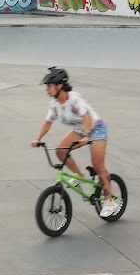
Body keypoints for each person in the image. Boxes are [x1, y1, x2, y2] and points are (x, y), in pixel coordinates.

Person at [30, 67, 120, 218]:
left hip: (96, 129)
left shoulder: (74, 99)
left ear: (59, 86)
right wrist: (38, 139)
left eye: (49, 86)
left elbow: (87, 117)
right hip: (79, 130)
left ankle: (110, 202)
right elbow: (48, 122)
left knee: (98, 167)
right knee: (60, 151)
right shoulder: (55, 103)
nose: (46, 90)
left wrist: (86, 135)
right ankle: (78, 175)